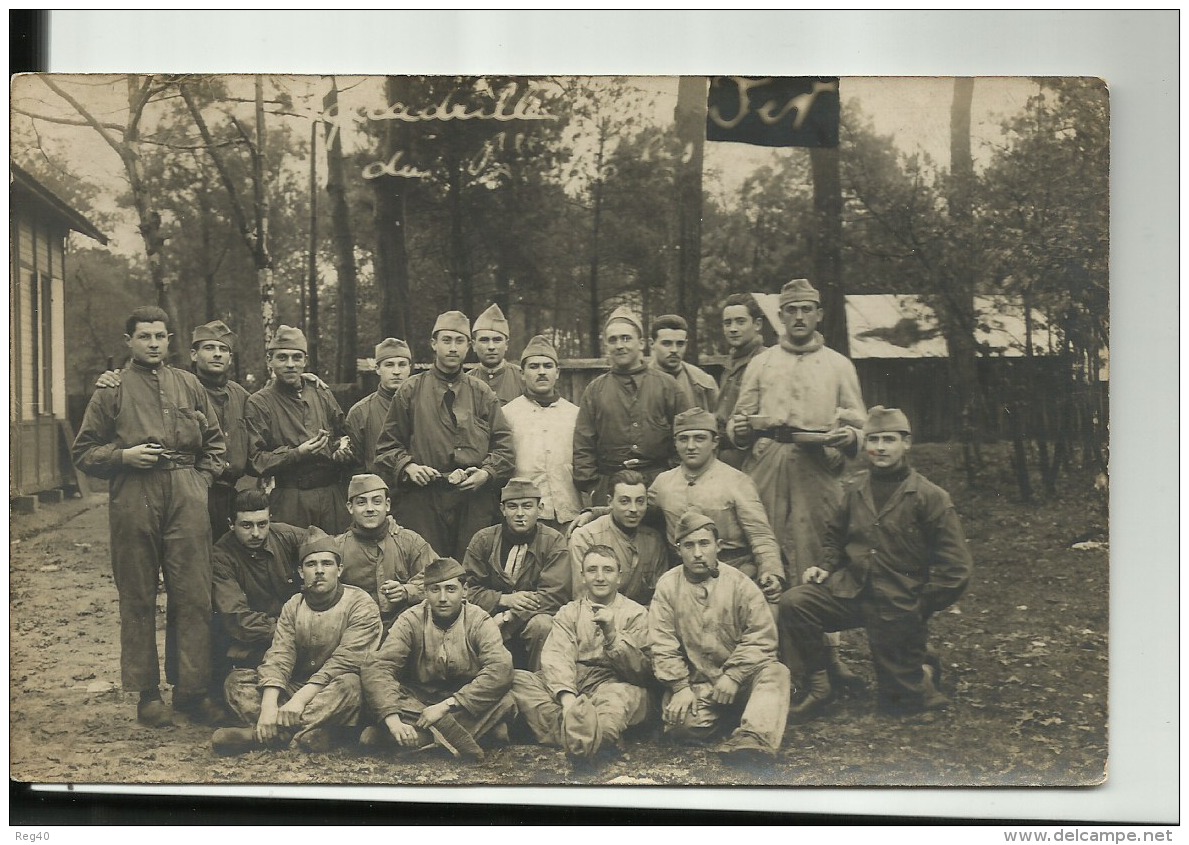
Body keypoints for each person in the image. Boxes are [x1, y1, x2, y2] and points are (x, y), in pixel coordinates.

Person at [72, 305, 227, 727]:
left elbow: (215, 442)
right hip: (134, 493)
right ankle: (146, 694)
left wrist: (201, 481)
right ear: (130, 342)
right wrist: (124, 455)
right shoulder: (112, 388)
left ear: (170, 340)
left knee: (193, 595)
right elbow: (83, 452)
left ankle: (191, 693)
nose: (154, 343)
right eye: (144, 336)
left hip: (185, 490)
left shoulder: (189, 384)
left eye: (160, 336)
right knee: (138, 595)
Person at [779, 407, 973, 719]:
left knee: (901, 706)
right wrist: (826, 566)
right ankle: (819, 685)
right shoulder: (855, 489)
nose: (880, 447)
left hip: (897, 602)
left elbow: (957, 569)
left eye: (889, 440)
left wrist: (919, 605)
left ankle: (920, 665)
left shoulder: (930, 497)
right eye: (873, 439)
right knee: (795, 602)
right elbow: (835, 536)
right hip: (852, 592)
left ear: (906, 443)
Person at [728, 278, 867, 687]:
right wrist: (745, 429)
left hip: (818, 464)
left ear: (819, 314)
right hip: (769, 458)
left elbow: (860, 424)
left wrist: (850, 438)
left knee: (819, 555)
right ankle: (763, 652)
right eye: (791, 310)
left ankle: (829, 654)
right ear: (780, 317)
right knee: (761, 547)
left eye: (807, 309)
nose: (799, 317)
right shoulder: (763, 362)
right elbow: (740, 423)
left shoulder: (839, 364)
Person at [212, 528, 383, 755]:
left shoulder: (361, 604)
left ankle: (265, 735)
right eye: (311, 565)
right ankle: (311, 732)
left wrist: (299, 701)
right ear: (301, 572)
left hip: (333, 689)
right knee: (236, 681)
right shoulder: (294, 604)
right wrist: (269, 705)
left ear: (339, 569)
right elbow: (280, 654)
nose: (319, 571)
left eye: (327, 564)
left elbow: (346, 662)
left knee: (351, 685)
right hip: (297, 686)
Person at [649, 511, 791, 763]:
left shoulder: (740, 584)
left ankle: (754, 737)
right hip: (699, 685)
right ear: (678, 549)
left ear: (718, 546)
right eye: (689, 545)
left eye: (704, 544)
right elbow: (662, 643)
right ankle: (741, 717)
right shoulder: (668, 586)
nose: (697, 553)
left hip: (742, 681)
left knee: (776, 672)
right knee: (681, 727)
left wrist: (734, 676)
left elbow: (763, 636)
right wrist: (680, 687)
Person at [93, 319, 252, 541]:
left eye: (223, 349)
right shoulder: (180, 388)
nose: (217, 354)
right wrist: (198, 484)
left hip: (227, 494)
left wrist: (305, 381)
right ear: (194, 355)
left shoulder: (241, 396)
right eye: (209, 348)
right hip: (187, 491)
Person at [374, 310, 515, 558]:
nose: (452, 348)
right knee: (428, 570)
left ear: (468, 346)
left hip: (473, 500)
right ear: (433, 344)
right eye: (446, 340)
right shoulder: (411, 390)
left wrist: (486, 472)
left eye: (459, 341)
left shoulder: (481, 392)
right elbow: (387, 447)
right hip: (424, 500)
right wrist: (408, 467)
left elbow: (504, 447)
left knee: (472, 569)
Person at [361, 556, 516, 761]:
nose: (442, 598)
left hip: (463, 700)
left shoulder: (479, 620)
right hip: (419, 701)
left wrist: (447, 706)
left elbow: (500, 668)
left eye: (450, 589)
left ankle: (423, 739)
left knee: (506, 700)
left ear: (465, 591)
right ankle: (468, 734)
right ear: (425, 593)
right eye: (435, 590)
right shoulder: (411, 619)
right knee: (376, 696)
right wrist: (393, 720)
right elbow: (380, 667)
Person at [512, 544, 652, 764]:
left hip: (612, 683)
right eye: (592, 570)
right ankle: (587, 734)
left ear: (619, 576)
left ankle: (584, 734)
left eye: (608, 570)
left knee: (620, 699)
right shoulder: (569, 612)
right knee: (516, 680)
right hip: (572, 682)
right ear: (583, 576)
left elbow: (642, 672)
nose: (600, 577)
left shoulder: (636, 614)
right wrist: (567, 698)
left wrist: (613, 636)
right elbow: (557, 656)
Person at [648, 408, 784, 604]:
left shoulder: (737, 481)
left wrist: (771, 572)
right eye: (683, 439)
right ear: (675, 443)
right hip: (683, 575)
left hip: (734, 572)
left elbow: (760, 535)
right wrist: (593, 514)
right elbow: (635, 508)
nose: (691, 446)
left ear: (715, 442)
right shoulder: (663, 483)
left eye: (700, 438)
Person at [572, 306, 691, 507]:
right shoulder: (595, 390)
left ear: (642, 343)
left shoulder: (668, 386)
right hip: (610, 487)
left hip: (659, 485)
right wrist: (593, 488)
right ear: (606, 346)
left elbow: (686, 435)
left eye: (626, 338)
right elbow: (583, 444)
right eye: (613, 340)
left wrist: (671, 478)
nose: (620, 345)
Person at [245, 325, 354, 533]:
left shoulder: (320, 392)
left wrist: (342, 446)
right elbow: (255, 461)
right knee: (293, 558)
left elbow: (343, 431)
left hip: (332, 496)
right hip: (291, 498)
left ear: (305, 361)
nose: (290, 364)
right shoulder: (259, 403)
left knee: (337, 555)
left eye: (297, 358)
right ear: (270, 361)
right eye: (282, 357)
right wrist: (297, 453)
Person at [462, 478, 571, 671]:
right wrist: (504, 599)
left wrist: (509, 616)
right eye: (512, 507)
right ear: (502, 510)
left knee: (543, 625)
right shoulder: (483, 540)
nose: (520, 514)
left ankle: (540, 683)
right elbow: (467, 590)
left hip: (530, 618)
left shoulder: (554, 541)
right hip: (489, 617)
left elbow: (554, 595)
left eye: (527, 506)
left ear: (540, 508)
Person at [211, 489, 308, 693]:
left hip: (302, 634)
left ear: (269, 520)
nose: (256, 533)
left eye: (262, 524)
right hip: (258, 642)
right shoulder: (221, 557)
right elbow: (238, 619)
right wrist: (292, 632)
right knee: (241, 689)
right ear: (231, 524)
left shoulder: (287, 535)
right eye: (246, 525)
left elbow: (327, 549)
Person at [334, 473, 436, 631]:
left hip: (403, 627)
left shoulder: (410, 542)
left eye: (377, 502)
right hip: (352, 629)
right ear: (350, 507)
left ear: (387, 505)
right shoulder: (337, 549)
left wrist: (406, 591)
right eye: (361, 502)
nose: (370, 509)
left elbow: (438, 578)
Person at [501, 334, 582, 531]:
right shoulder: (507, 414)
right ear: (522, 373)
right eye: (534, 366)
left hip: (569, 513)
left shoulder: (575, 414)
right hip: (525, 516)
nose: (541, 372)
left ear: (558, 372)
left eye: (547, 366)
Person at [567, 470, 670, 607]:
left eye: (640, 501)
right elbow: (583, 600)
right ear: (610, 501)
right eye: (624, 501)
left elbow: (660, 598)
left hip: (643, 620)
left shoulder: (653, 540)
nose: (633, 509)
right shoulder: (586, 538)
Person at [344, 337, 414, 475]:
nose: (396, 371)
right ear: (377, 369)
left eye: (402, 364)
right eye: (389, 365)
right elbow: (354, 467)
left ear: (410, 368)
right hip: (378, 492)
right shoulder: (360, 412)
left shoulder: (424, 406)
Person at [715, 294, 768, 469]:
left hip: (752, 459)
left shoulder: (766, 361)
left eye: (740, 321)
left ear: (757, 324)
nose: (733, 329)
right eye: (727, 323)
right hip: (725, 458)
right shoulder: (730, 363)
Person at [649, 313, 720, 412]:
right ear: (652, 344)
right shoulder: (639, 381)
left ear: (686, 344)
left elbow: (719, 420)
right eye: (667, 343)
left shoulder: (703, 382)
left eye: (680, 344)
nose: (674, 350)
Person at [471, 303, 525, 405]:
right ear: (474, 345)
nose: (491, 347)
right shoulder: (465, 382)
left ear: (506, 344)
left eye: (497, 340)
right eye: (484, 340)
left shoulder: (523, 379)